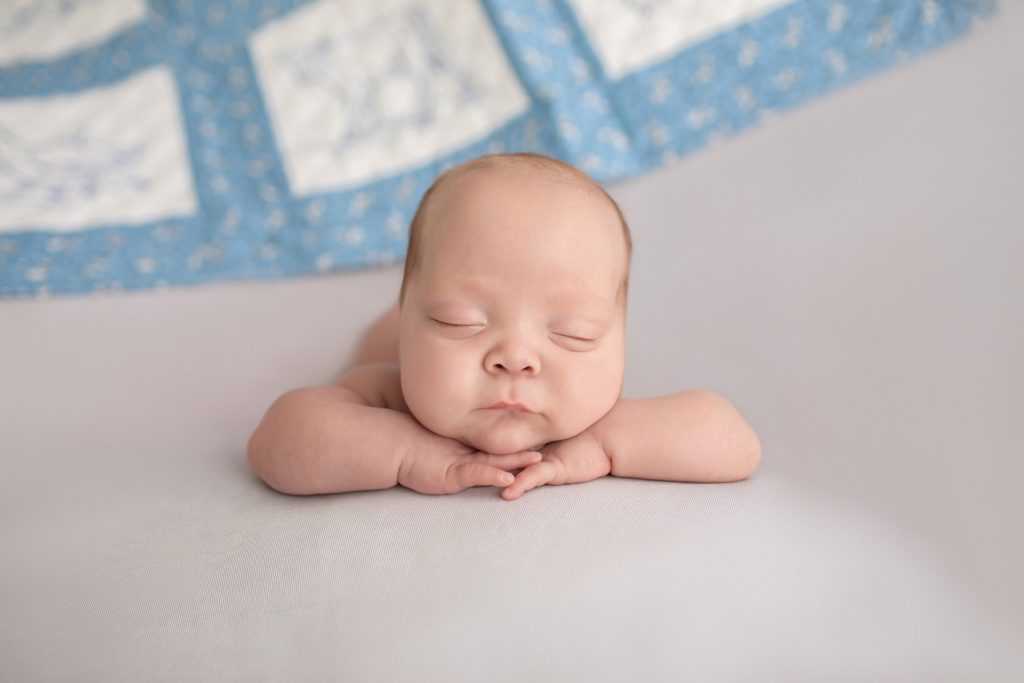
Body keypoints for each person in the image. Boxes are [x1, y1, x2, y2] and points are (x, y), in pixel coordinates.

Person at [247, 152, 761, 500]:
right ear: (412, 319)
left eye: (575, 332)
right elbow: (277, 441)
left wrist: (604, 445)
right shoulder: (391, 393)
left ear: (621, 337)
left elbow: (734, 441)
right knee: (373, 346)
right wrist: (407, 452)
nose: (515, 358)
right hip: (389, 348)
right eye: (459, 321)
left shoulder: (591, 416)